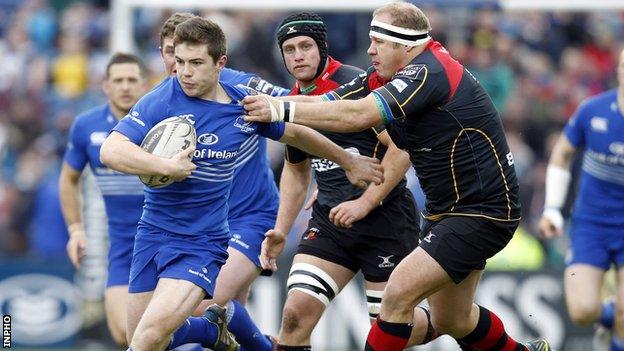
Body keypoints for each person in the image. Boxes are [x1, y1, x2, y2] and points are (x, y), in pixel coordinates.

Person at [242, 3, 551, 351]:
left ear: (404, 44)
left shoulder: (427, 72)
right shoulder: (385, 77)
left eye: (378, 41)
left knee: (397, 296)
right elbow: (331, 103)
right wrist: (275, 108)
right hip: (444, 211)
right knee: (452, 319)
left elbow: (359, 114)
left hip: (481, 211)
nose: (370, 49)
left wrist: (279, 109)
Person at [99, 17, 383, 351]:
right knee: (140, 337)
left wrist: (347, 161)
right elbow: (111, 150)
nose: (184, 72)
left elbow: (297, 129)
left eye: (195, 63)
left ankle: (224, 324)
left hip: (202, 242)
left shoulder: (244, 101)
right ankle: (215, 330)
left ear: (220, 63)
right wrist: (167, 167)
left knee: (147, 339)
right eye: (178, 61)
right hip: (152, 234)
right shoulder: (160, 100)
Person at [259, 12, 432, 351]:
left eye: (306, 46)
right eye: (290, 49)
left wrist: (364, 201)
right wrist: (282, 229)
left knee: (396, 329)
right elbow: (297, 169)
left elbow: (401, 146)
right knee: (295, 315)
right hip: (331, 222)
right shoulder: (294, 100)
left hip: (385, 220)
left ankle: (458, 322)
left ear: (322, 48)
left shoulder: (356, 85)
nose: (298, 56)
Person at [159, 12, 290, 351]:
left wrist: (342, 159)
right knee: (228, 321)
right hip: (205, 227)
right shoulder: (164, 99)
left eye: (191, 56)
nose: (179, 63)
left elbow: (295, 107)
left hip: (250, 217)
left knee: (206, 305)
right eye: (172, 52)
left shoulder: (236, 84)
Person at [59, 53, 149, 347]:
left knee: (151, 330)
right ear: (105, 86)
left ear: (144, 84)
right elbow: (68, 179)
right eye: (118, 80)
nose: (125, 86)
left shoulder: (164, 123)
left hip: (167, 239)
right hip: (122, 245)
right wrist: (76, 230)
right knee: (123, 332)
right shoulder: (87, 125)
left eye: (132, 80)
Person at [538, 48, 624, 351]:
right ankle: (609, 314)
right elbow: (562, 155)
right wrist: (552, 209)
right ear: (619, 70)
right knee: (582, 311)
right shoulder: (593, 111)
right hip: (591, 224)